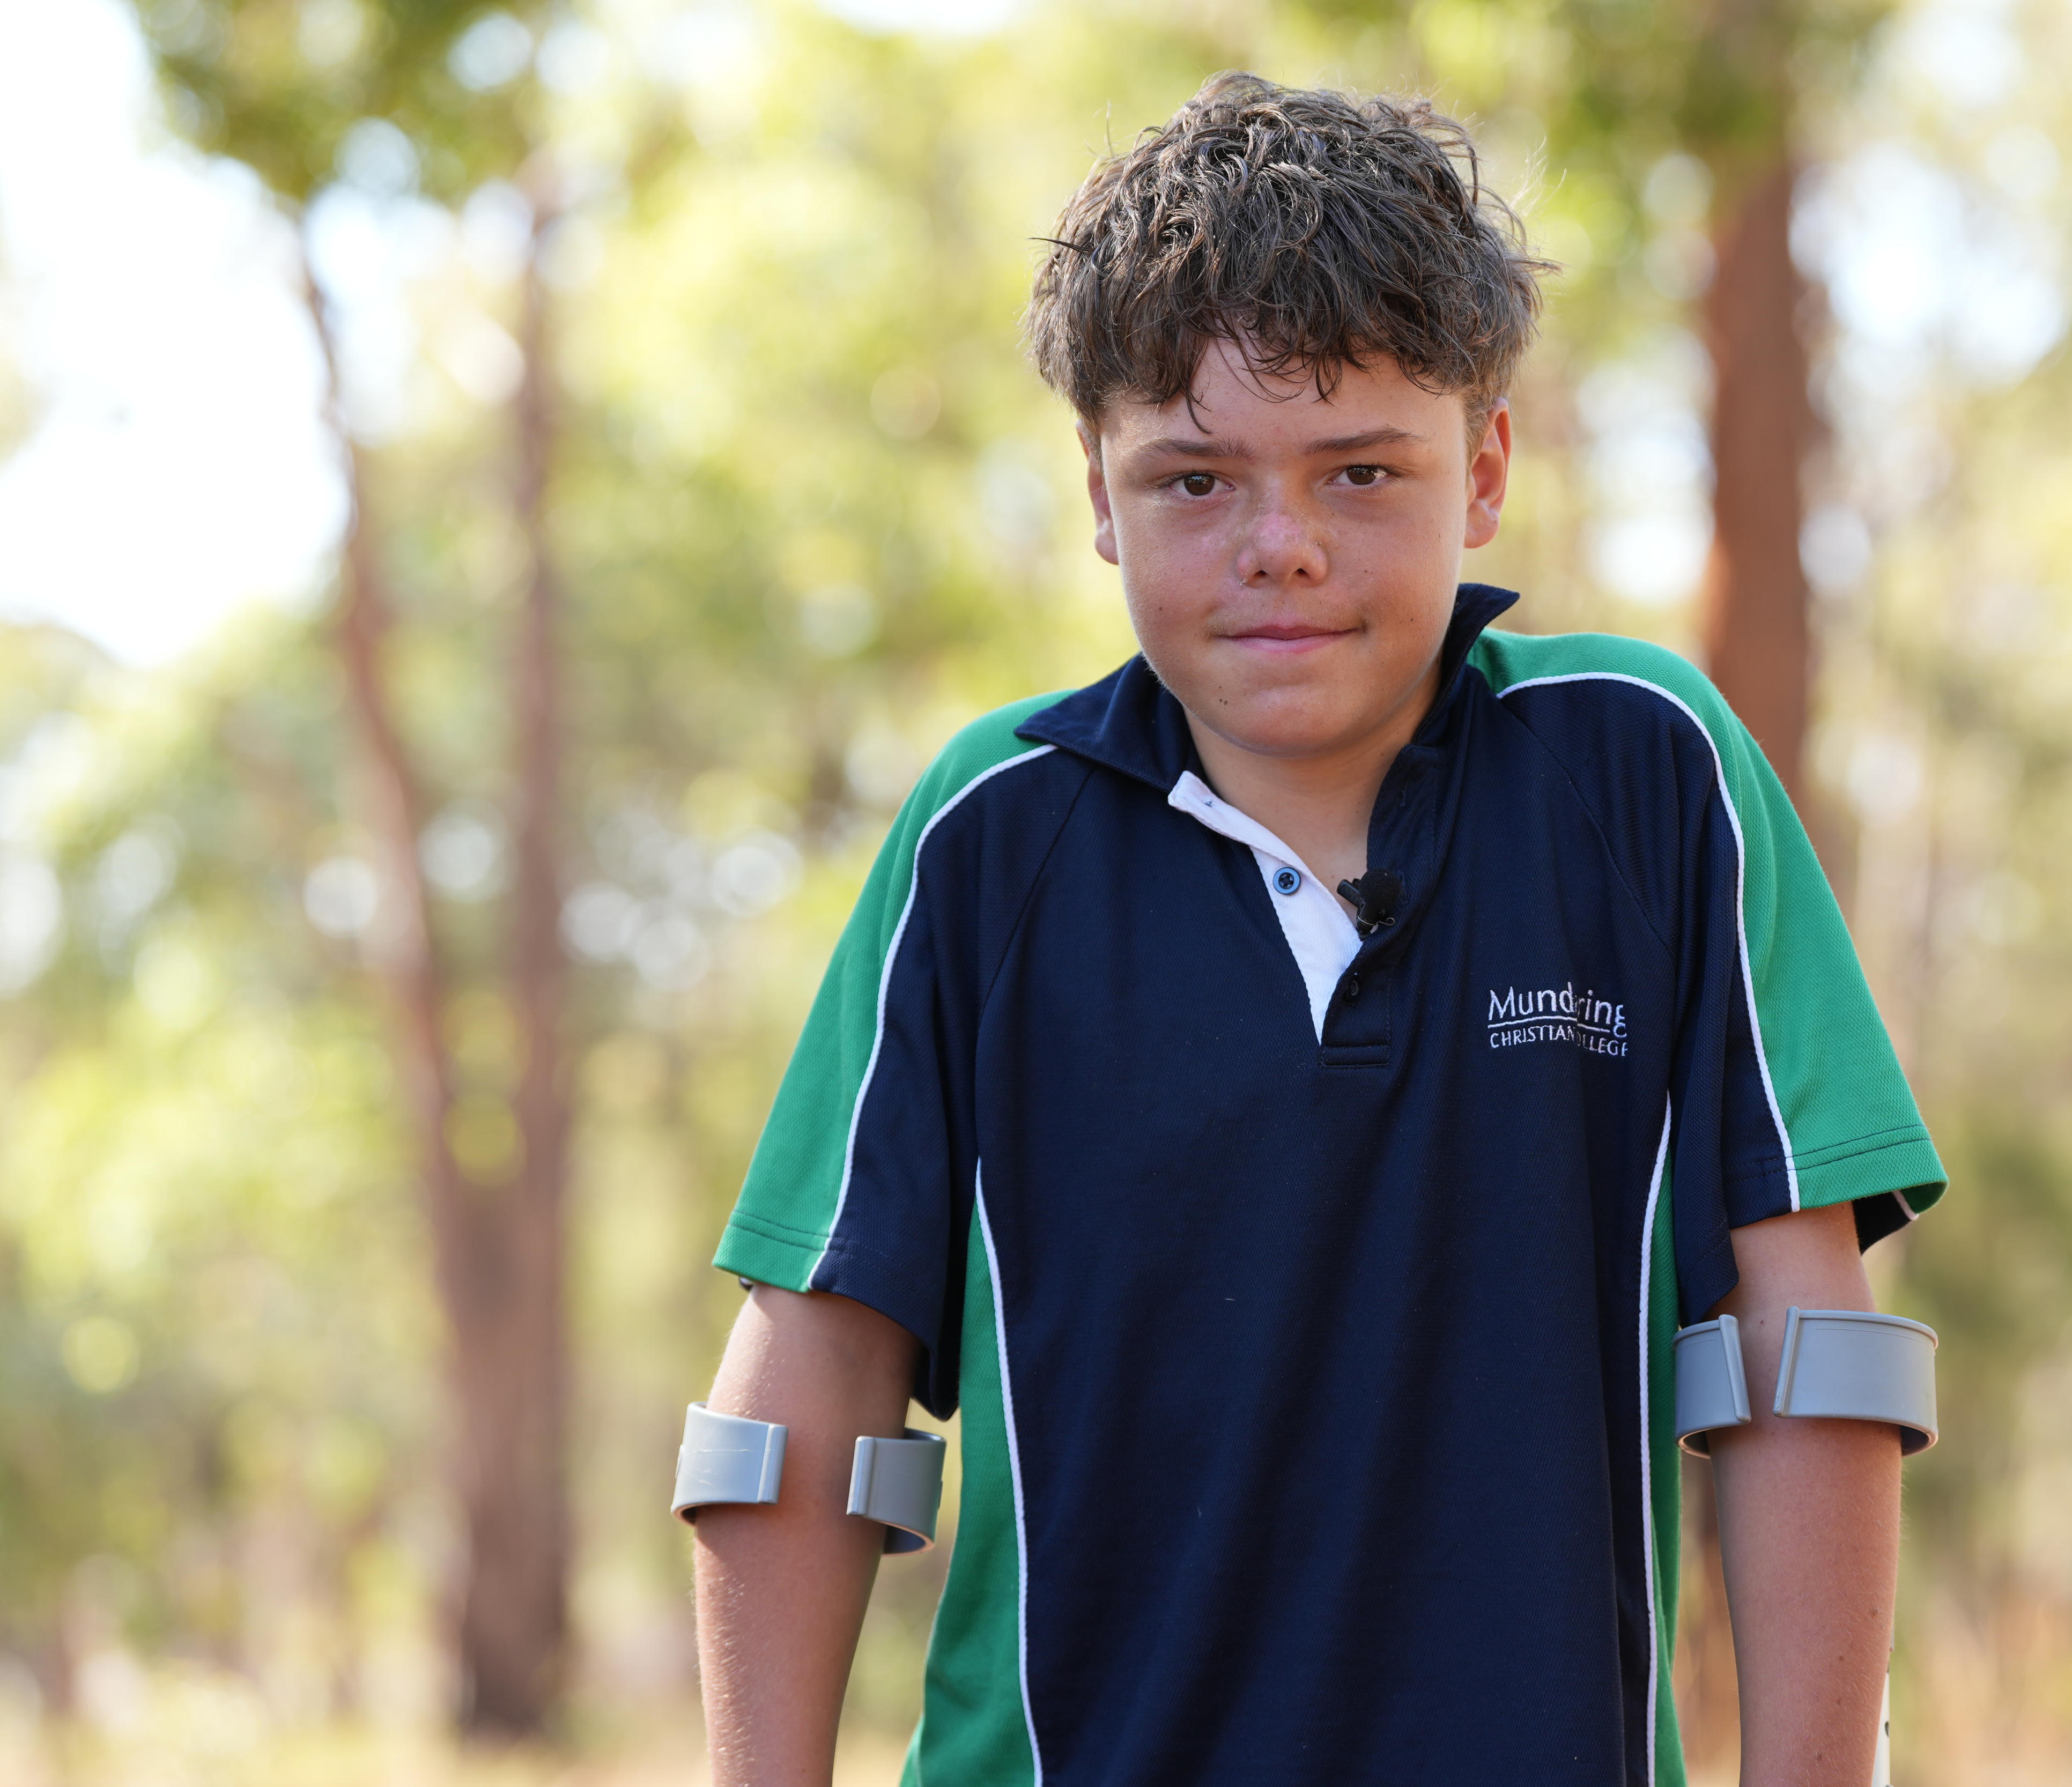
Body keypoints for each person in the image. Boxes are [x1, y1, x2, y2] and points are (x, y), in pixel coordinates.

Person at [683, 71, 1947, 1787]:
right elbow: (807, 1391)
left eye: (1360, 470)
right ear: (1101, 495)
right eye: (1196, 482)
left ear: (1484, 466)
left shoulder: (1646, 777)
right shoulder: (993, 837)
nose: (1282, 548)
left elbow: (1806, 1355)